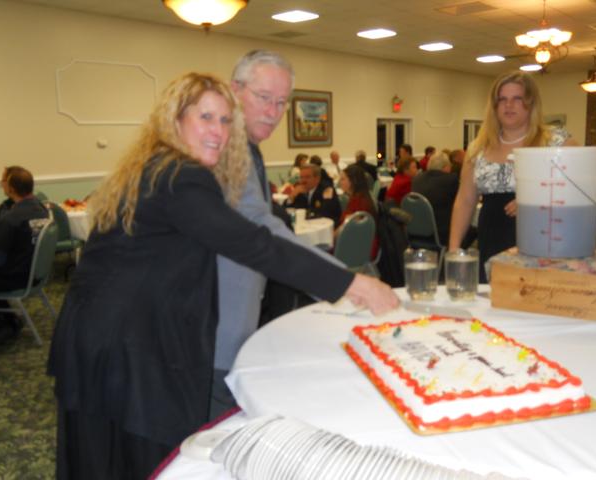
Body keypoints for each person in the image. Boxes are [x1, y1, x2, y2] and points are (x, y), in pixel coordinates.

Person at [47, 73, 398, 479]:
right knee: (147, 459)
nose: (218, 131)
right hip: (128, 344)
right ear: (175, 121)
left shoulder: (156, 167)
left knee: (101, 458)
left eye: (225, 120)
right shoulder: (181, 175)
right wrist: (353, 283)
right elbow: (252, 243)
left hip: (101, 333)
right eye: (206, 117)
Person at [214, 51, 354, 422]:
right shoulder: (225, 146)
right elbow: (261, 225)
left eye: (281, 103)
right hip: (214, 318)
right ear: (235, 90)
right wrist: (346, 282)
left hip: (238, 310)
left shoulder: (248, 148)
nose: (273, 112)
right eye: (264, 98)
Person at [449, 71, 577, 282]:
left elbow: (580, 190)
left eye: (517, 99)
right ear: (494, 106)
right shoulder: (477, 148)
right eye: (503, 100)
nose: (509, 105)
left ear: (531, 103)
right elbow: (464, 201)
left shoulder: (558, 142)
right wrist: (454, 250)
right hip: (492, 241)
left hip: (542, 244)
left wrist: (537, 198)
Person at [0, 167, 49, 345]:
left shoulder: (11, 219)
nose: (1, 184)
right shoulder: (41, 209)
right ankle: (8, 320)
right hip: (33, 274)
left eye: (3, 181)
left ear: (11, 188)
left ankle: (1, 325)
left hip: (15, 278)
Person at [411, 151, 461, 246]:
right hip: (441, 234)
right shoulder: (451, 180)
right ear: (446, 167)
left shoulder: (417, 179)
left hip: (416, 232)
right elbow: (460, 205)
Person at [338, 164, 379, 258]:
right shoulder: (360, 196)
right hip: (361, 241)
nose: (339, 182)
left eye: (343, 179)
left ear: (353, 181)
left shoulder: (359, 201)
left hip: (361, 247)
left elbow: (352, 230)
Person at [0, 166, 20, 231]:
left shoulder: (13, 214)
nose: (1, 184)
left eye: (3, 181)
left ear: (12, 185)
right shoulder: (6, 205)